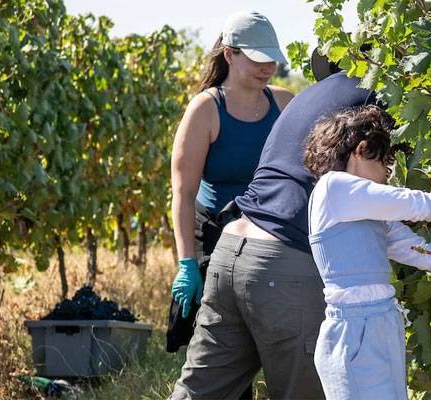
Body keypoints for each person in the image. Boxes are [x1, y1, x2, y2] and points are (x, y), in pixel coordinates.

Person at [303, 105, 431, 399]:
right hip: (354, 331)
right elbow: (414, 203)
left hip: (382, 323)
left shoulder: (364, 208)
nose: (387, 174)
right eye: (386, 162)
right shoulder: (333, 189)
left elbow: (419, 252)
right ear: (361, 149)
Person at [168, 10, 292, 399]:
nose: (267, 67)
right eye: (256, 59)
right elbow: (183, 194)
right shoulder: (206, 109)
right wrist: (187, 264)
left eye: (271, 58)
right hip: (214, 239)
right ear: (230, 55)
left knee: (270, 345)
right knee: (219, 354)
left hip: (269, 241)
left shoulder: (285, 105)